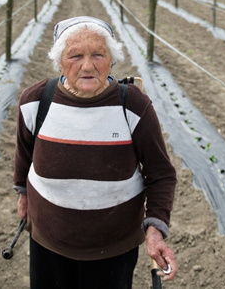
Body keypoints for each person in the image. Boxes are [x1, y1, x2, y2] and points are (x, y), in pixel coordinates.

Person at [13, 16, 177, 288]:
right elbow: (23, 155)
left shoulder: (133, 106)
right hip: (48, 242)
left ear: (111, 60)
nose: (87, 66)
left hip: (114, 248)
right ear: (59, 62)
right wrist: (22, 193)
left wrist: (155, 230)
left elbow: (160, 176)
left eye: (98, 54)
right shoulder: (35, 101)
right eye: (75, 55)